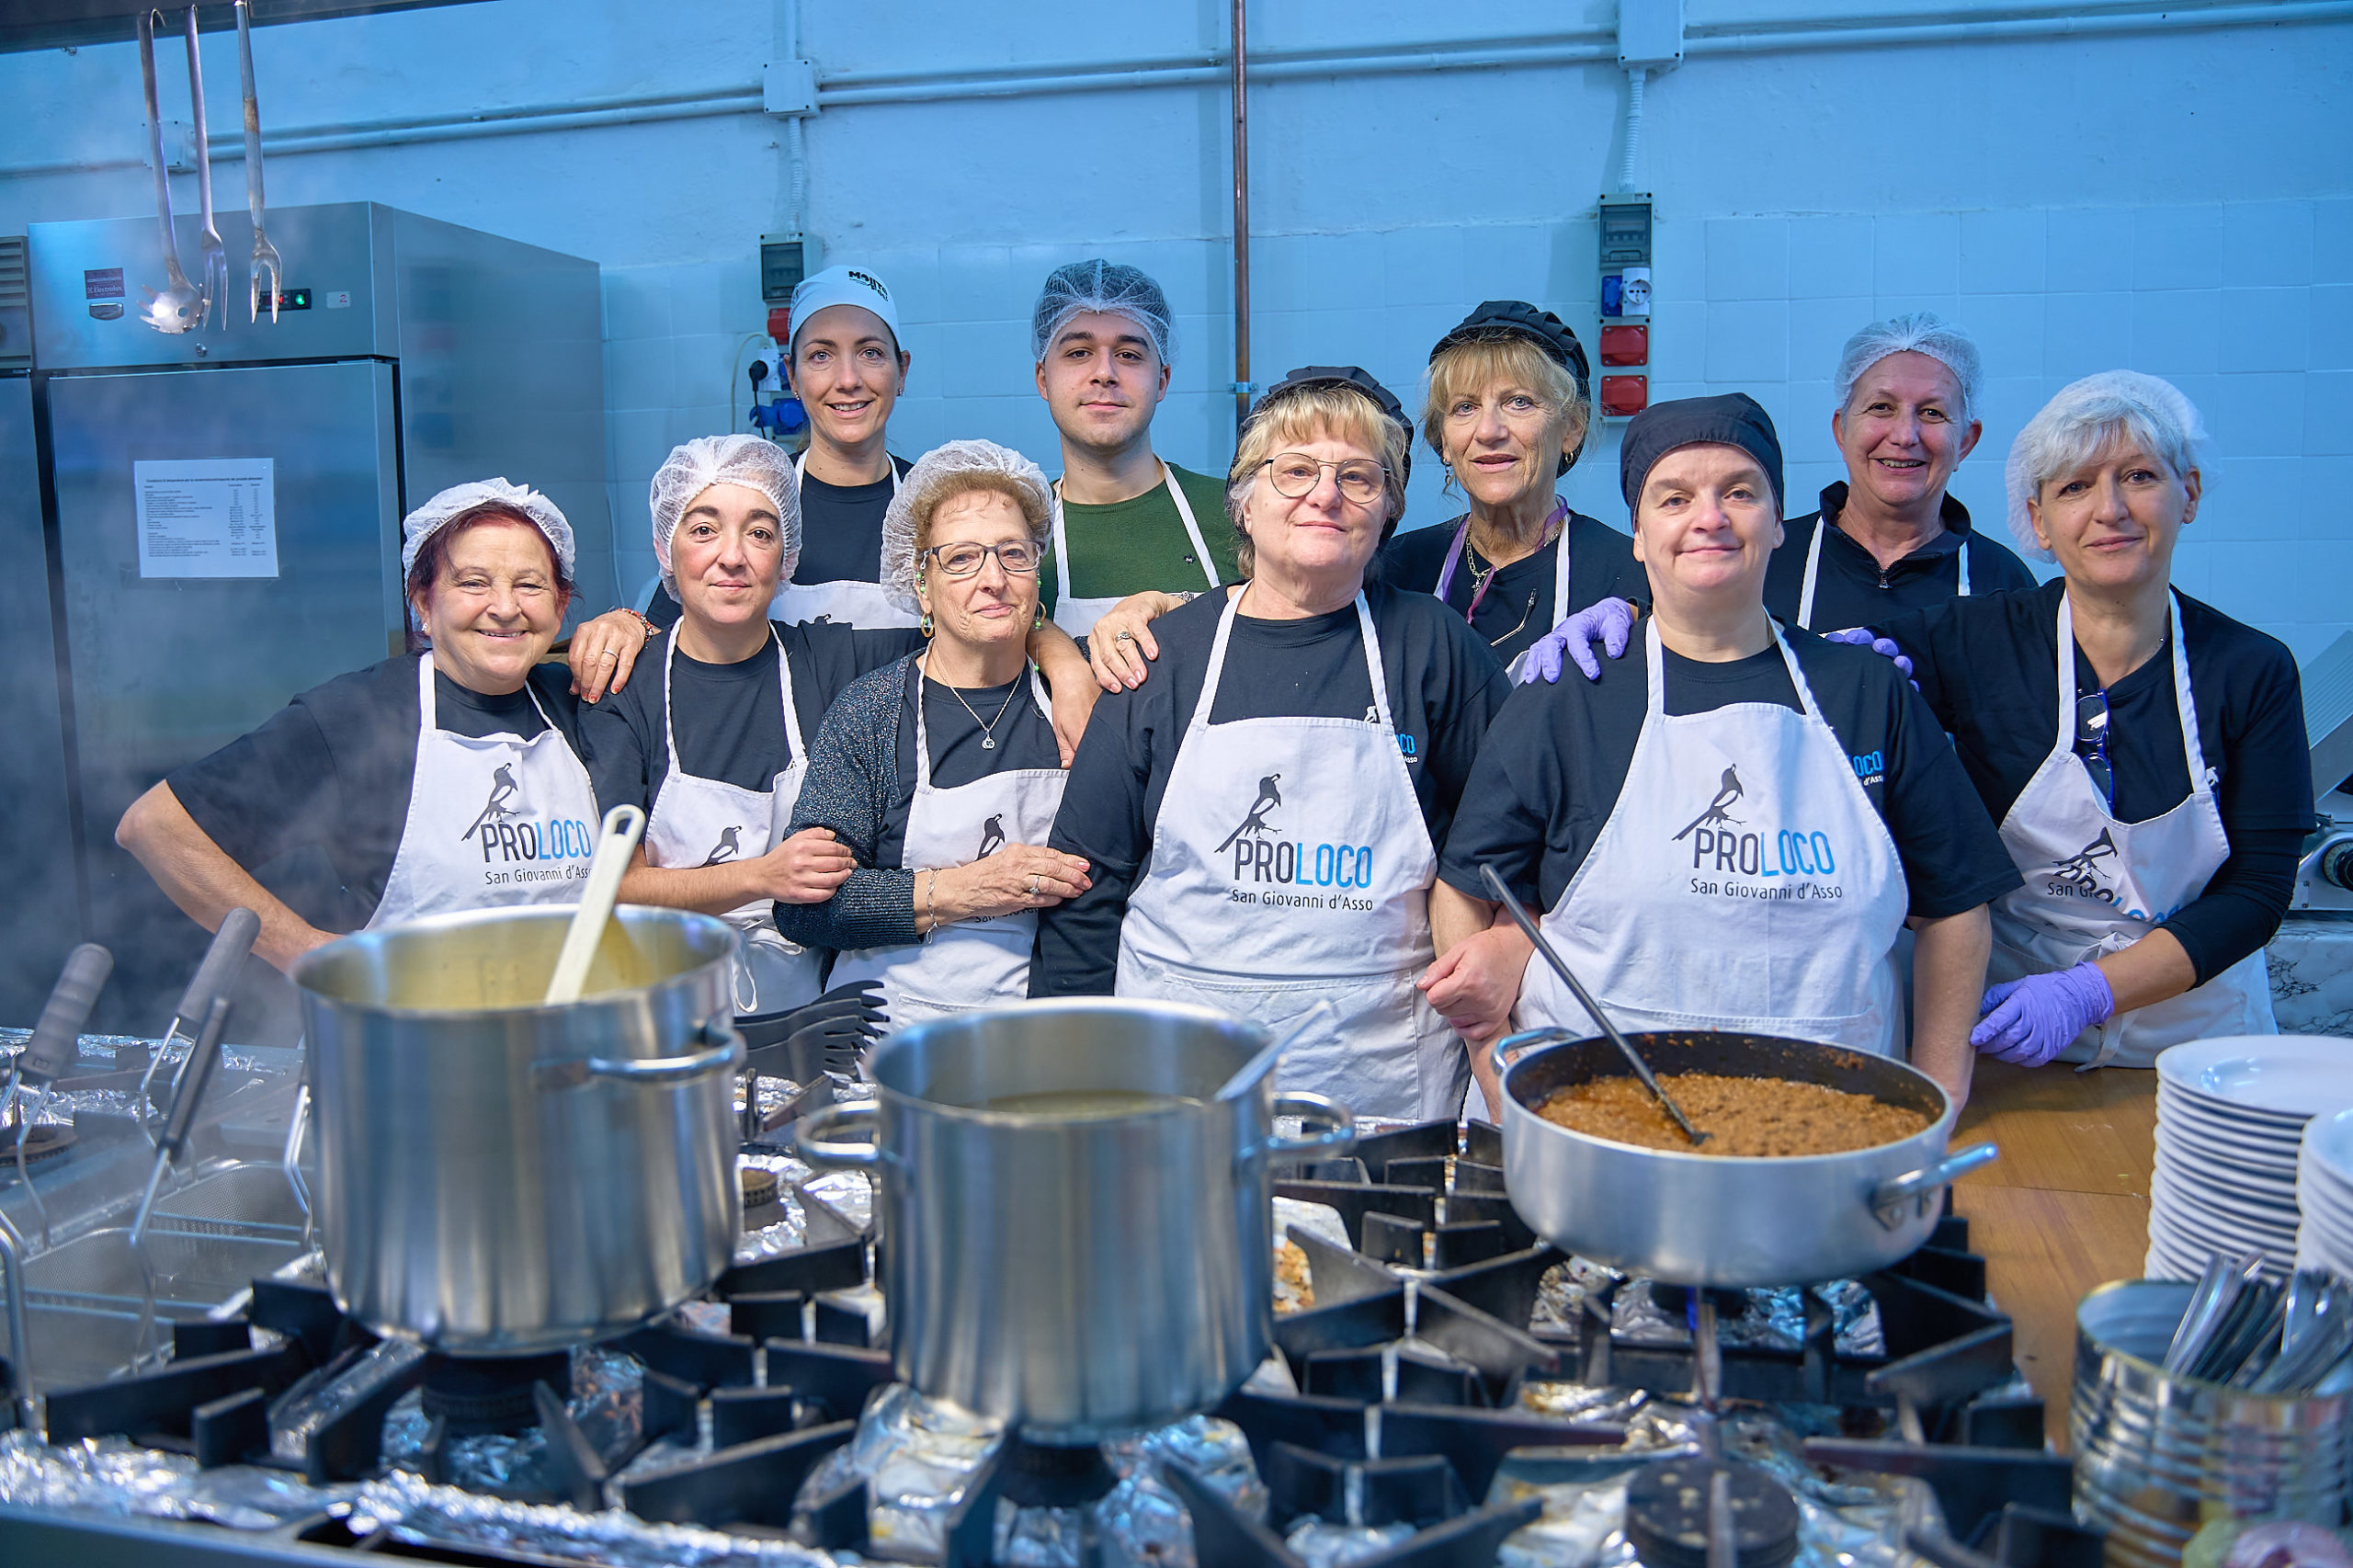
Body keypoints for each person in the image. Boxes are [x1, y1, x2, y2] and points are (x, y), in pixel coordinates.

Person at [1435, 395, 2018, 1115]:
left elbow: (1956, 908)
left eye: (1739, 493)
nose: (1709, 517)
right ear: (1639, 537)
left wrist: (1939, 1091)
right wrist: (1497, 1078)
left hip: (1830, 1128)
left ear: (1778, 524)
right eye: (1673, 498)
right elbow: (1466, 889)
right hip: (1591, 1130)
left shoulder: (1865, 692)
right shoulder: (1569, 696)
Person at [1033, 367, 1516, 1121]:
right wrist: (1074, 1083)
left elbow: (1518, 843)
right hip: (1173, 1088)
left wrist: (1512, 946)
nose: (1325, 494)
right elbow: (1081, 890)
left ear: (1387, 509)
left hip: (1381, 1092)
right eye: (1293, 471)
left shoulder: (1434, 648)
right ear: (1245, 504)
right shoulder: (1164, 658)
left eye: (1359, 476)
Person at [1863, 372, 2313, 1070]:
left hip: (2198, 1042)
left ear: (2187, 493)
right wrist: (1651, 626)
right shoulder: (1973, 640)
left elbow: (2258, 893)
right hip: (2009, 1033)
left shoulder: (2250, 669)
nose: (2110, 510)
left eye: (2137, 476)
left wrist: (2086, 993)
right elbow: (1789, 667)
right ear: (2038, 519)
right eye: (2074, 487)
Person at [585, 437, 1104, 1016]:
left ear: (788, 558)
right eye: (704, 529)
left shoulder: (830, 656)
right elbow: (617, 885)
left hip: (798, 1004)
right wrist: (763, 876)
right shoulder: (622, 683)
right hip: (661, 994)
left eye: (760, 532)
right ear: (664, 548)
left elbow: (978, 624)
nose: (733, 556)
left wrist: (1062, 658)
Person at [116, 482, 600, 971]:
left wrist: (630, 624)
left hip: (563, 1030)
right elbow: (157, 827)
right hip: (410, 1035)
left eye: (529, 585)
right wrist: (303, 948)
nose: (505, 607)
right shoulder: (357, 718)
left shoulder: (580, 703)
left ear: (560, 608)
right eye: (473, 582)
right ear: (422, 603)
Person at [775, 441, 1092, 1029]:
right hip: (884, 1031)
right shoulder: (871, 712)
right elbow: (805, 910)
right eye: (963, 559)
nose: (994, 579)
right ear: (921, 586)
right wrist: (960, 892)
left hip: (1037, 1031)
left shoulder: (1082, 698)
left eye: (1013, 554)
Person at [1375, 301, 1645, 677]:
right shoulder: (1394, 570)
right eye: (1465, 407)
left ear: (1572, 428)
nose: (1488, 431)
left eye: (1519, 402)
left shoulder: (1629, 576)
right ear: (1443, 442)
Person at [1764, 312, 2036, 631]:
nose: (1905, 435)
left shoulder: (2005, 588)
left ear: (1965, 442)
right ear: (1842, 430)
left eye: (1932, 413)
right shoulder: (1766, 562)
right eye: (1881, 407)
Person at [1029, 260, 1240, 665]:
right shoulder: (1018, 538)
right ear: (1043, 379)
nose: (1104, 373)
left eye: (1128, 354)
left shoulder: (1238, 514)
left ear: (1161, 380)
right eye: (1078, 352)